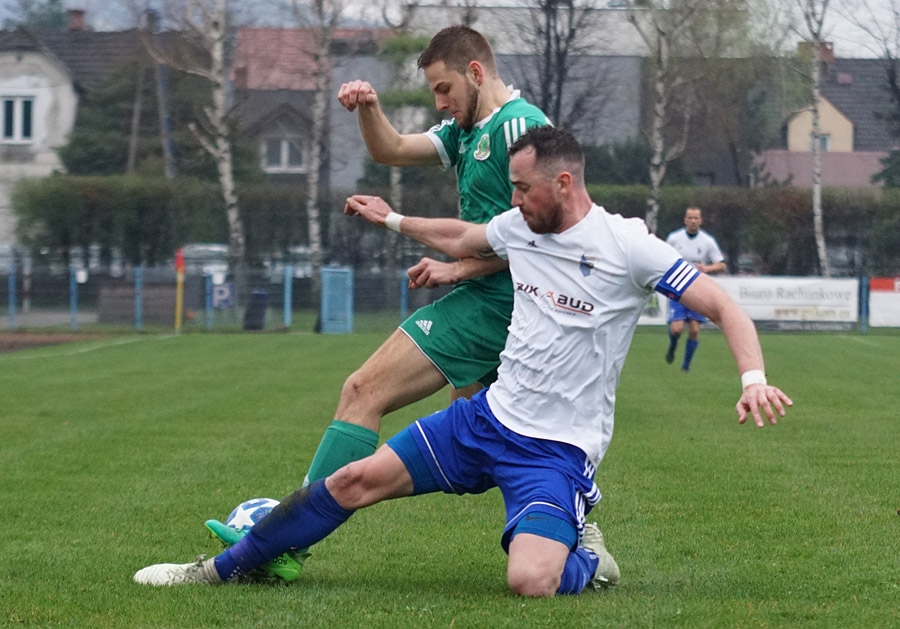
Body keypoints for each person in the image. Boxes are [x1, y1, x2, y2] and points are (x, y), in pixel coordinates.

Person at [134, 126, 792, 597]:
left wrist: (753, 378)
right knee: (351, 481)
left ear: (563, 182)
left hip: (554, 451)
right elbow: (464, 236)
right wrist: (395, 221)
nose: (513, 201)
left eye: (523, 188)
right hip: (484, 420)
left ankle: (587, 558)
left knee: (531, 580)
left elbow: (724, 306)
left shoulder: (629, 247)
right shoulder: (523, 227)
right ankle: (213, 571)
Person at [201, 25, 553, 580]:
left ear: (476, 74)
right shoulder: (469, 129)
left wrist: (457, 266)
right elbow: (391, 148)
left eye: (443, 89)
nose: (439, 102)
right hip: (488, 297)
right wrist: (367, 105)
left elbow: (543, 236)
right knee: (508, 435)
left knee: (363, 389)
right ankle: (581, 530)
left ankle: (281, 543)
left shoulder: (523, 127)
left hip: (496, 303)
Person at [663, 207, 727, 372]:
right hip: (676, 286)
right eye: (690, 218)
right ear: (685, 220)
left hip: (698, 288)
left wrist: (706, 268)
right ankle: (673, 345)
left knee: (694, 329)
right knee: (676, 329)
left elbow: (721, 264)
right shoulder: (674, 238)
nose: (693, 221)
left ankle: (686, 366)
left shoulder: (707, 241)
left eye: (696, 218)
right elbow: (662, 258)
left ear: (700, 220)